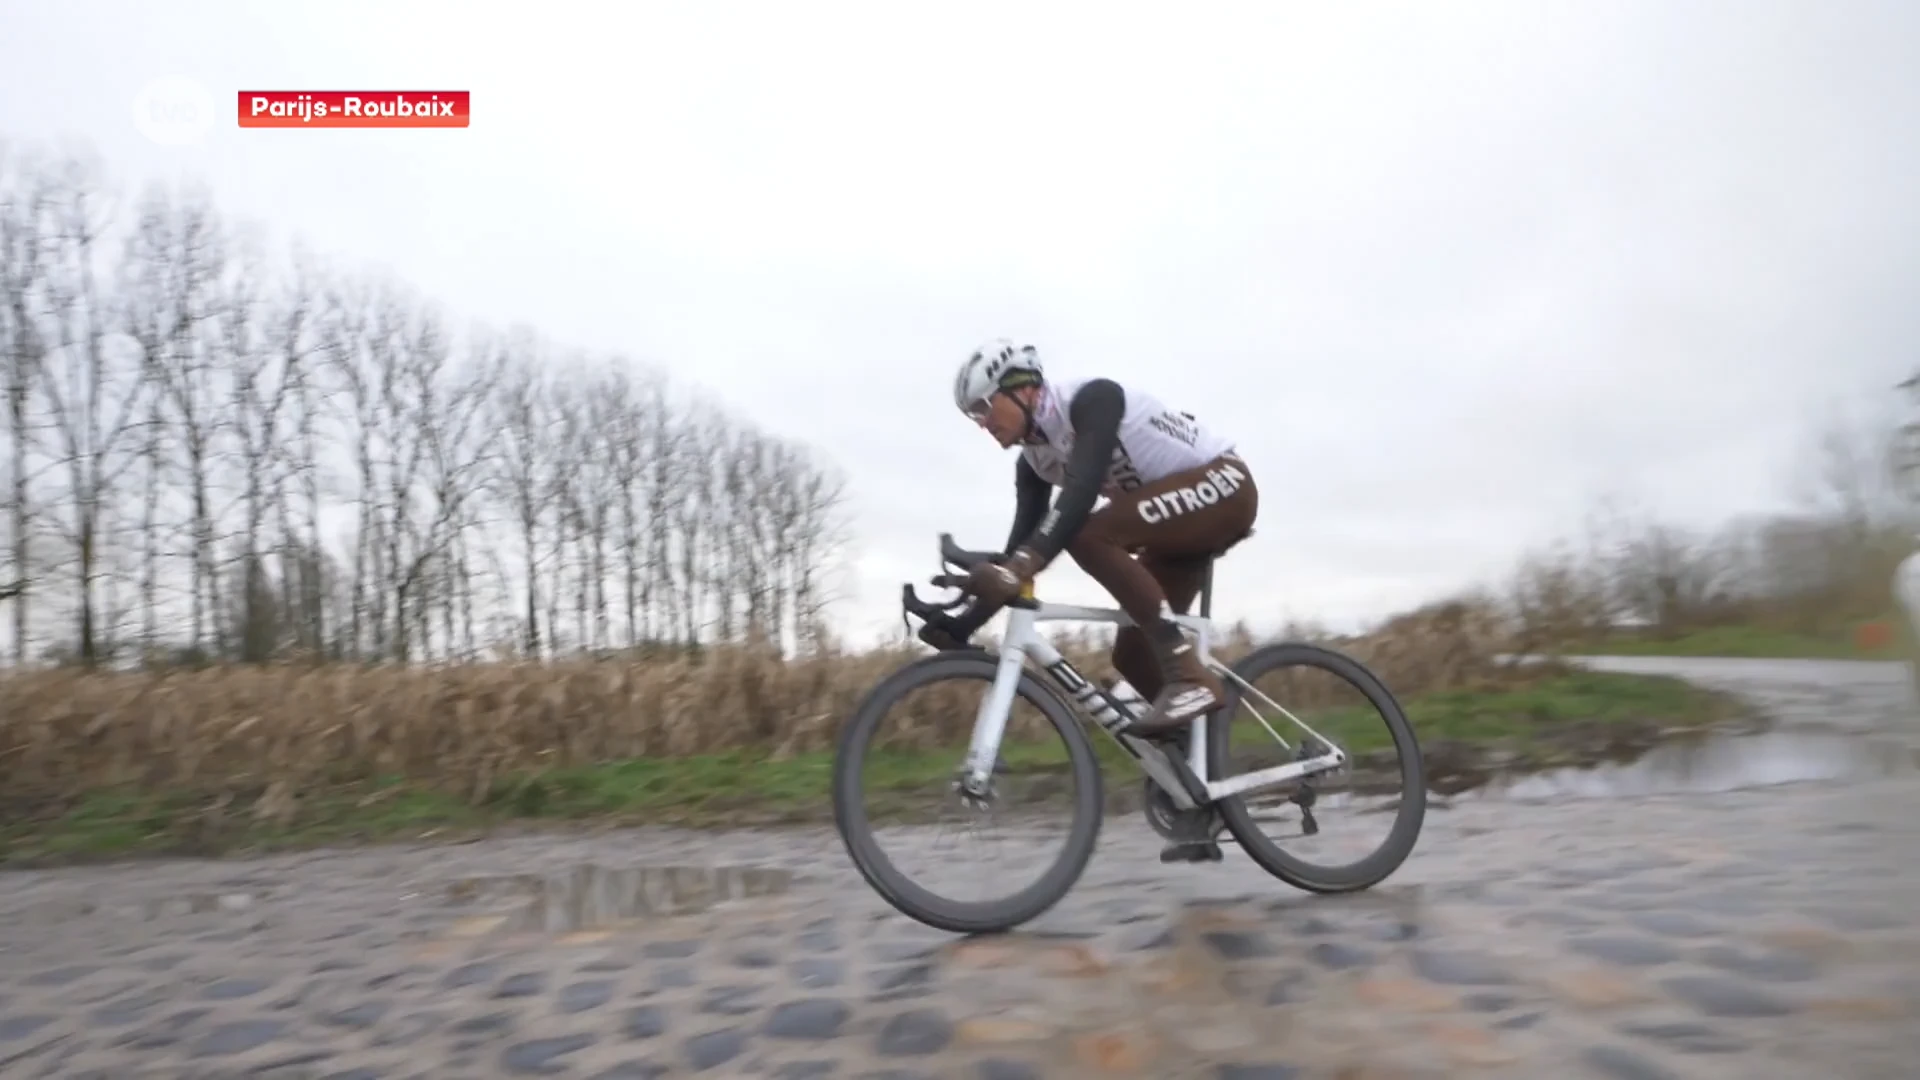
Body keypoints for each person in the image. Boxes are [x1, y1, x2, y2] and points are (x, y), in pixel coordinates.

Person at [949, 338, 1259, 738]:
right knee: (1132, 657)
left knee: (1086, 535)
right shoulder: (1035, 462)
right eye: (973, 415)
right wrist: (961, 624)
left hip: (1226, 488)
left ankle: (1191, 676)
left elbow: (1077, 498)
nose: (982, 422)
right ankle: (1201, 761)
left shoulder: (1091, 401)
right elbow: (1019, 561)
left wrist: (1020, 565)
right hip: (1173, 532)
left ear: (1023, 387)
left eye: (984, 406)